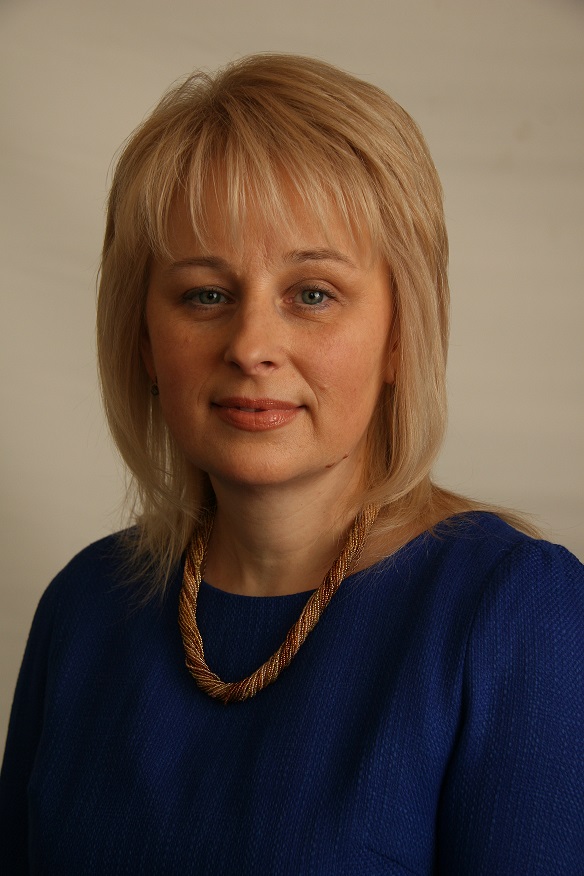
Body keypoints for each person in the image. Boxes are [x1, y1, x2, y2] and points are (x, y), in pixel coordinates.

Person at [1, 53, 583, 874]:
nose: (250, 346)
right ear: (143, 340)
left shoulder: (516, 616)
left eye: (312, 294)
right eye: (205, 294)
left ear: (400, 335)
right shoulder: (84, 607)